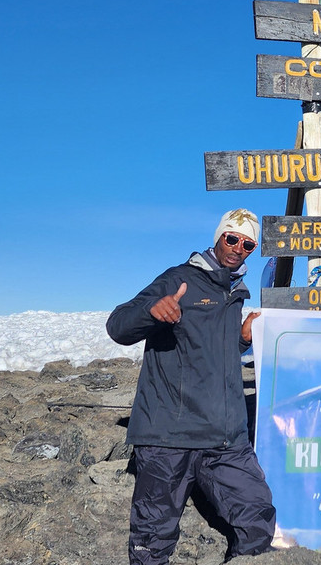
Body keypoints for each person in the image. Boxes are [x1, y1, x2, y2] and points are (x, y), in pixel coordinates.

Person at [107, 209, 276, 564]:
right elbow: (118, 325)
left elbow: (206, 350)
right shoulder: (178, 279)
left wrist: (241, 340)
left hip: (225, 437)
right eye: (232, 238)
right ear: (218, 237)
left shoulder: (235, 291)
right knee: (152, 539)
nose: (238, 248)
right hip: (170, 435)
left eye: (248, 244)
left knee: (257, 520)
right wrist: (152, 310)